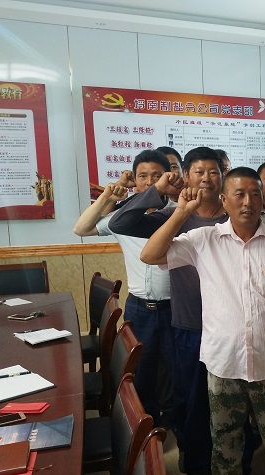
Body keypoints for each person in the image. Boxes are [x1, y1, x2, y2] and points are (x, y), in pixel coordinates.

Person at [140, 167, 265, 475]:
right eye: (239, 194)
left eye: (255, 194)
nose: (248, 201)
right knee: (224, 437)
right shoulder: (203, 240)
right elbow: (150, 255)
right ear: (224, 200)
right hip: (223, 362)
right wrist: (181, 212)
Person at [109, 147, 226, 475]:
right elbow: (120, 223)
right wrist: (160, 191)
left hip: (230, 326)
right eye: (199, 171)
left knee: (231, 401)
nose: (206, 178)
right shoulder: (173, 215)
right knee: (189, 400)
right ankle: (197, 468)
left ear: (223, 176)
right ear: (186, 176)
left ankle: (235, 467)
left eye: (214, 171)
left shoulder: (235, 214)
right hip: (189, 324)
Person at [73, 149, 176, 429]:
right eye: (143, 176)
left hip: (174, 307)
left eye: (156, 175)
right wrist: (108, 195)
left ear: (168, 177)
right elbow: (81, 228)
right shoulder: (124, 217)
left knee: (175, 372)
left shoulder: (177, 213)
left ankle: (175, 428)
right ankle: (147, 428)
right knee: (141, 371)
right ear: (135, 180)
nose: (150, 182)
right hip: (140, 307)